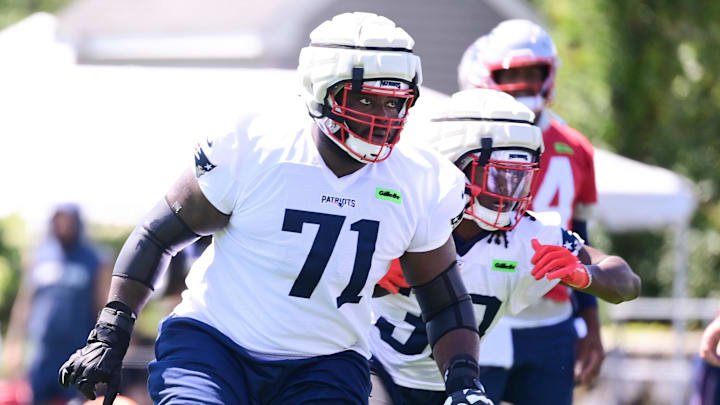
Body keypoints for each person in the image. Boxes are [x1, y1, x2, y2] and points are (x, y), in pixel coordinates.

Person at [58, 12, 491, 405]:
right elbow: (158, 234)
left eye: (394, 102)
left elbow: (443, 298)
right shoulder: (256, 148)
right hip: (216, 344)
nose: (383, 115)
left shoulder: (422, 180)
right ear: (320, 90)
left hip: (326, 363)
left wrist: (465, 383)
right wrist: (111, 331)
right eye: (365, 99)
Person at [369, 88, 641, 405]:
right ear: (454, 167)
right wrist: (367, 263)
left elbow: (626, 281)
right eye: (500, 176)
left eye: (520, 178)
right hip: (374, 368)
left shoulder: (531, 237)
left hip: (457, 384)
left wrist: (585, 275)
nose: (510, 192)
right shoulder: (401, 216)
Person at [457, 19, 605, 404]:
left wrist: (591, 326)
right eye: (512, 72)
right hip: (484, 309)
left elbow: (581, 236)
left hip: (551, 315)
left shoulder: (576, 146)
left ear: (549, 74)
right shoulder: (469, 137)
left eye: (533, 71)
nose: (523, 81)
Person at [2, 204, 110, 404]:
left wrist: (103, 348)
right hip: (42, 353)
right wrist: (14, 343)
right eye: (59, 220)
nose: (63, 226)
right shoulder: (40, 256)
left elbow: (102, 308)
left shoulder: (94, 259)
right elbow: (24, 303)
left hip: (77, 352)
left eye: (67, 220)